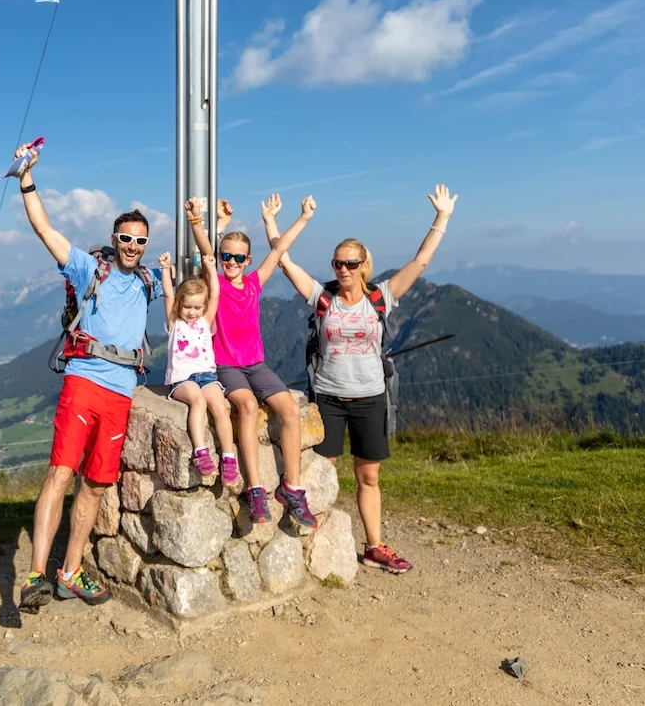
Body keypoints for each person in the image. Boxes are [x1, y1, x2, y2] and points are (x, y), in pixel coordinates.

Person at [264, 184, 458, 574]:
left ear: (364, 265)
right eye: (338, 263)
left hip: (371, 397)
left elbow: (419, 263)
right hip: (329, 399)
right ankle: (316, 545)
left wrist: (442, 217)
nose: (343, 270)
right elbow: (282, 261)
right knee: (323, 474)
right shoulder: (323, 298)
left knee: (368, 476)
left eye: (351, 264)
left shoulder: (381, 297)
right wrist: (271, 222)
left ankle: (374, 546)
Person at [12, 141, 164, 612]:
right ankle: (37, 575)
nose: (133, 246)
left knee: (96, 484)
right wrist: (26, 179)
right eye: (126, 238)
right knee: (60, 473)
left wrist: (208, 226)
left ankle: (70, 572)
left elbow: (210, 277)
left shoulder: (149, 282)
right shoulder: (86, 268)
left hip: (121, 393)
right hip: (83, 382)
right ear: (114, 239)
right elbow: (44, 228)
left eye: (141, 240)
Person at [190, 195, 319, 527]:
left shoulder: (253, 284)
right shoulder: (214, 283)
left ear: (248, 260)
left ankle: (292, 487)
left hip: (256, 365)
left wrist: (302, 218)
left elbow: (278, 251)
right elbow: (205, 252)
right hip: (226, 366)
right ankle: (256, 488)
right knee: (246, 406)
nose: (230, 262)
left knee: (289, 409)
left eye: (237, 257)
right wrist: (196, 222)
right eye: (225, 256)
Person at [157, 249, 237, 479]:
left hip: (207, 376)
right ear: (179, 305)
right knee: (198, 401)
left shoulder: (205, 321)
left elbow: (214, 296)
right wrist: (165, 269)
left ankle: (228, 456)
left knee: (220, 406)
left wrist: (211, 268)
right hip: (182, 379)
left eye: (196, 307)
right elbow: (167, 295)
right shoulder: (174, 322)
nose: (192, 312)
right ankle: (201, 451)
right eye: (187, 307)